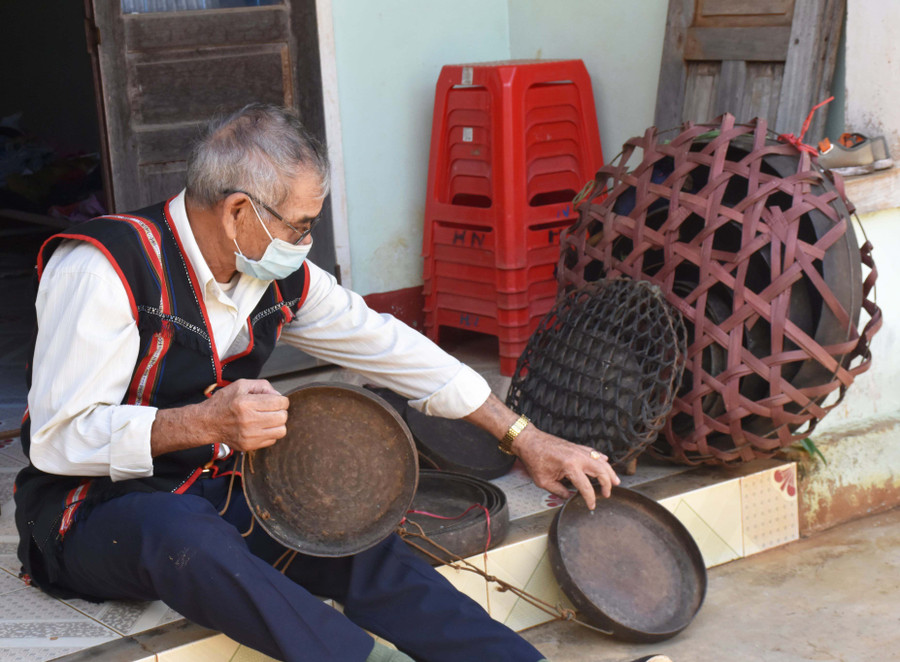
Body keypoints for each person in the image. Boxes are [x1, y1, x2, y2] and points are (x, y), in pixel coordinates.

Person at [13, 103, 643, 662]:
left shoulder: (276, 274)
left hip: (204, 486)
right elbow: (57, 439)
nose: (306, 241)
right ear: (239, 212)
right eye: (298, 226)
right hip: (89, 515)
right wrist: (203, 424)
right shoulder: (103, 268)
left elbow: (391, 348)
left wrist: (523, 436)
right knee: (187, 538)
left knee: (356, 540)